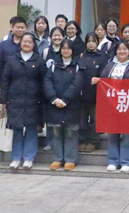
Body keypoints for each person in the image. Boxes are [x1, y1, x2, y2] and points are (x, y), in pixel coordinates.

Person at [92, 42, 129, 171]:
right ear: (116, 51)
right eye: (119, 49)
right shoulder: (110, 65)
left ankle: (127, 161)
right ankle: (113, 160)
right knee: (112, 134)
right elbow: (103, 82)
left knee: (128, 134)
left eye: (125, 49)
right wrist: (98, 81)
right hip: (112, 105)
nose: (122, 52)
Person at [0, 32, 47, 169]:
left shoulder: (39, 61)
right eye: (24, 41)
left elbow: (44, 81)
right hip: (15, 100)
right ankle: (16, 158)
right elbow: (5, 80)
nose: (27, 44)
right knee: (17, 129)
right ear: (20, 43)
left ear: (34, 44)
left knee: (31, 129)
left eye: (29, 42)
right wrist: (3, 99)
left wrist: (43, 100)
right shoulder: (12, 59)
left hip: (34, 100)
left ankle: (28, 158)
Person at [44, 39, 84, 171]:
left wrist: (65, 99)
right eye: (63, 48)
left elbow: (76, 85)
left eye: (68, 48)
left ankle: (70, 159)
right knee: (56, 132)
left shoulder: (77, 66)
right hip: (55, 105)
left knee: (70, 132)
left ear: (73, 50)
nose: (66, 51)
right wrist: (54, 98)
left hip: (71, 105)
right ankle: (57, 159)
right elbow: (47, 82)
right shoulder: (54, 65)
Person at [78, 32, 109, 153]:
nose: (91, 44)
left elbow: (105, 74)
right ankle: (83, 140)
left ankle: (93, 141)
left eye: (93, 41)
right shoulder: (81, 56)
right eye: (89, 41)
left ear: (97, 42)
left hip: (96, 94)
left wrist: (99, 79)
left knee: (94, 120)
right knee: (82, 121)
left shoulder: (102, 56)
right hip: (82, 94)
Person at [0, 16, 27, 89]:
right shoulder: (3, 44)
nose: (20, 29)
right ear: (12, 28)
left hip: (25, 83)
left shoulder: (29, 44)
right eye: (18, 27)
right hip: (7, 83)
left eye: (22, 27)